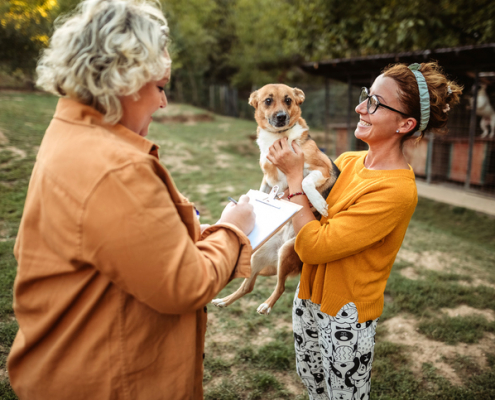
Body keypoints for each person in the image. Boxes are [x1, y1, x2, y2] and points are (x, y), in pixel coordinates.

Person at [7, 0, 255, 399]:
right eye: (159, 87)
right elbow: (186, 284)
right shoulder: (115, 168)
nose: (163, 102)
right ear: (125, 78)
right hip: (107, 382)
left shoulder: (68, 130)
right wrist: (233, 228)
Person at [267, 62, 462, 399]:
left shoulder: (396, 191)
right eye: (365, 97)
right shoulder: (348, 161)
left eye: (374, 103)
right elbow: (307, 217)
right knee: (312, 384)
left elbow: (314, 246)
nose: (360, 108)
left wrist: (297, 180)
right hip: (308, 297)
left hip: (346, 317)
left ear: (405, 123)